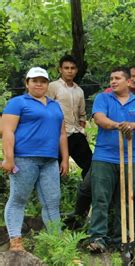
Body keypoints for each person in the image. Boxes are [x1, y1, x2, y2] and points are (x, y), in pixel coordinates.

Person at [1, 67, 68, 251]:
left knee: (52, 202)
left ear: (48, 84)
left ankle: (57, 243)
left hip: (50, 161)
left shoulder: (55, 105)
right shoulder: (17, 103)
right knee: (18, 199)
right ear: (27, 83)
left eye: (43, 81)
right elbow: (7, 131)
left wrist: (64, 159)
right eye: (34, 80)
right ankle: (15, 241)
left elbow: (62, 134)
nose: (39, 84)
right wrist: (8, 158)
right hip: (24, 159)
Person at [87, 67, 135, 253]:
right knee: (100, 198)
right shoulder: (103, 98)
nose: (112, 81)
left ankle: (123, 238)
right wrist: (119, 126)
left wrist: (131, 125)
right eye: (111, 78)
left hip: (131, 158)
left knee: (127, 199)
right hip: (103, 157)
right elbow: (100, 119)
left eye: (117, 78)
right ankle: (98, 237)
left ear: (128, 81)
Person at [47, 55, 93, 228]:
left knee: (91, 166)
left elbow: (82, 114)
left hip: (76, 133)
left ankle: (83, 205)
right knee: (56, 171)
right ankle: (53, 212)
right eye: (66, 68)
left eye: (72, 68)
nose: (69, 71)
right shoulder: (52, 87)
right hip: (59, 134)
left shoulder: (79, 90)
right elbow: (47, 107)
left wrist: (82, 129)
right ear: (60, 69)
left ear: (76, 70)